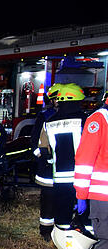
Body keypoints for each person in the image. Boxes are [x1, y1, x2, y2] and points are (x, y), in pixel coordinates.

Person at [37, 83, 88, 231]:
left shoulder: (49, 122)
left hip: (59, 176)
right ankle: (85, 241)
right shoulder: (86, 120)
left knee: (62, 210)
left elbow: (43, 147)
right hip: (82, 176)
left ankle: (63, 239)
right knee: (84, 211)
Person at [74, 91, 108, 249]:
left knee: (106, 241)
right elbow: (86, 160)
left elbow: (85, 159)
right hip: (103, 194)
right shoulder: (100, 119)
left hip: (102, 194)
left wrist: (81, 195)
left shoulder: (98, 119)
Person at [32, 84, 61, 238]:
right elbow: (34, 140)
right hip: (48, 169)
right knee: (48, 201)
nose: (58, 101)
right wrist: (42, 157)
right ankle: (46, 232)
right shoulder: (45, 116)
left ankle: (60, 230)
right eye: (56, 98)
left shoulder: (69, 115)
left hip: (63, 168)